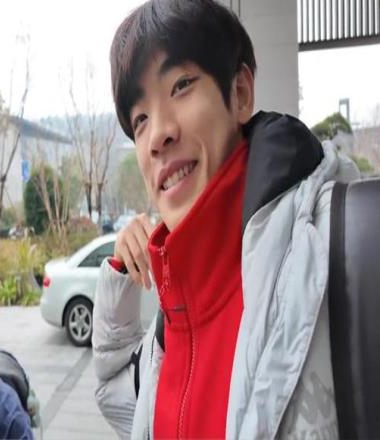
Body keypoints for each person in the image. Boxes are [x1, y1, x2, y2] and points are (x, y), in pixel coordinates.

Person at [92, 0, 359, 439]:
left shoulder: (336, 250)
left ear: (240, 93)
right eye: (140, 119)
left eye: (181, 85)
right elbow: (111, 391)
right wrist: (122, 273)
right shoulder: (172, 318)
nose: (158, 134)